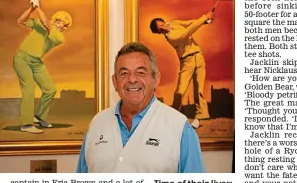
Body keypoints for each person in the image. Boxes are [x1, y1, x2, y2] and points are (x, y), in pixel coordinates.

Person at [76, 42, 204, 173]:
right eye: (124, 73)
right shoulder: (97, 124)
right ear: (115, 82)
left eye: (141, 72)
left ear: (156, 79)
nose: (132, 79)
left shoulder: (180, 128)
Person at [13, 0, 72, 133]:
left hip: (36, 62)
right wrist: (32, 8)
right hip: (22, 59)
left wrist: (38, 7)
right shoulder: (39, 23)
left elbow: (47, 24)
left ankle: (39, 117)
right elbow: (21, 20)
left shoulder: (59, 37)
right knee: (29, 89)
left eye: (64, 24)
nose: (61, 25)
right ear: (55, 20)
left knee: (50, 89)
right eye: (59, 21)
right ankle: (27, 125)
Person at [150, 12, 213, 129]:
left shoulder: (175, 23)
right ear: (159, 32)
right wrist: (204, 17)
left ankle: (199, 118)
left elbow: (190, 23)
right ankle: (173, 116)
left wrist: (205, 21)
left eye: (162, 24)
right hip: (186, 61)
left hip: (198, 57)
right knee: (180, 91)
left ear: (164, 22)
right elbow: (186, 32)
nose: (163, 27)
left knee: (199, 89)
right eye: (160, 29)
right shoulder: (171, 37)